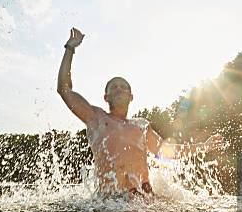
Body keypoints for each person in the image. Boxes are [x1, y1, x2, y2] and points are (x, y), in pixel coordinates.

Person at [57, 27, 225, 196]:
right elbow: (64, 89)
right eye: (114, 87)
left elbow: (165, 151)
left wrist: (204, 146)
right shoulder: (96, 118)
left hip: (144, 202)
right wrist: (70, 48)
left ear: (131, 97)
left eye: (124, 87)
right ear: (106, 97)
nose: (119, 89)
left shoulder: (141, 126)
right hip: (110, 205)